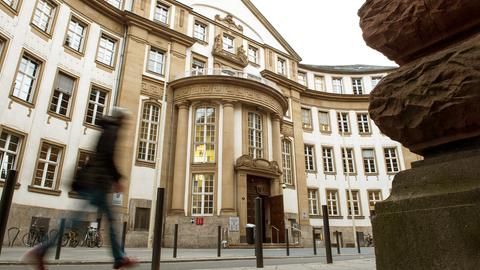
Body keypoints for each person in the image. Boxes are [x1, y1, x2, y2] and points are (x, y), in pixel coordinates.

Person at [24, 108, 138, 270]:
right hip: (96, 183)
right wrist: (117, 178)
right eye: (126, 121)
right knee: (78, 221)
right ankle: (42, 250)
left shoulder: (108, 129)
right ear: (121, 119)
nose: (127, 124)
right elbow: (106, 156)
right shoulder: (112, 130)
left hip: (96, 182)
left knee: (98, 220)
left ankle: (119, 257)